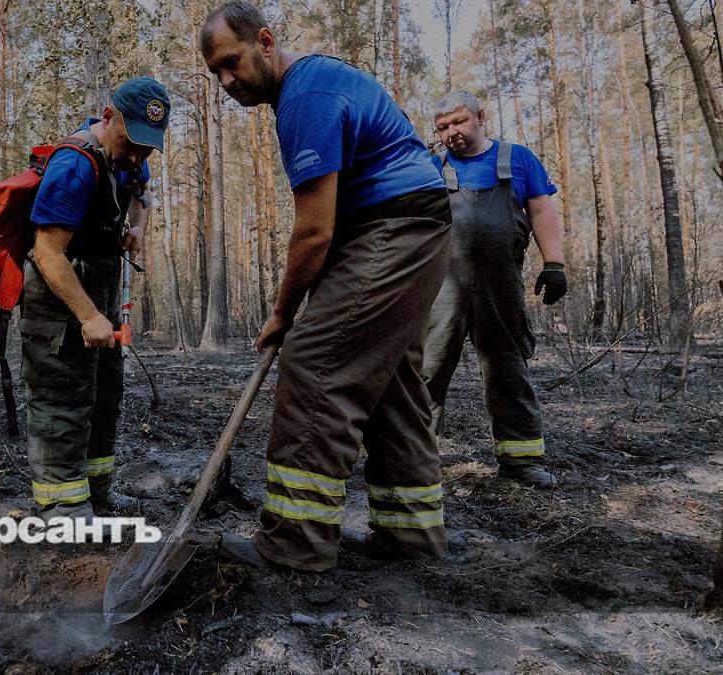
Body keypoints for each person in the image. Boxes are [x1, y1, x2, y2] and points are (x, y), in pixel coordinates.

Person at [199, 1, 452, 571]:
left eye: (232, 62)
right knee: (390, 379)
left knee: (316, 363)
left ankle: (294, 542)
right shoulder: (312, 85)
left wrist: (283, 314)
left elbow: (314, 232)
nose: (227, 81)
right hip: (408, 225)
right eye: (216, 73)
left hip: (396, 225)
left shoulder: (306, 96)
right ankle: (410, 533)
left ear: (265, 41)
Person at [21, 76, 170, 521]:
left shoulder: (131, 160)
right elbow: (47, 252)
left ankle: (95, 491)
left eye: (147, 149)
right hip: (58, 301)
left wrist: (138, 226)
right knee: (62, 398)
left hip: (101, 298)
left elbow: (142, 195)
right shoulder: (74, 164)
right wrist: (88, 316)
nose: (137, 157)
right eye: (131, 144)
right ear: (108, 118)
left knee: (105, 393)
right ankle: (61, 506)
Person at [424, 90, 567, 489]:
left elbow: (542, 209)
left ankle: (522, 460)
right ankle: (416, 458)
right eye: (443, 127)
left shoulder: (516, 158)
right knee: (427, 369)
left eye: (459, 121)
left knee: (508, 368)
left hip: (500, 286)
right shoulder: (432, 167)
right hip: (442, 286)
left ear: (480, 117)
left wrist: (554, 263)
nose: (451, 132)